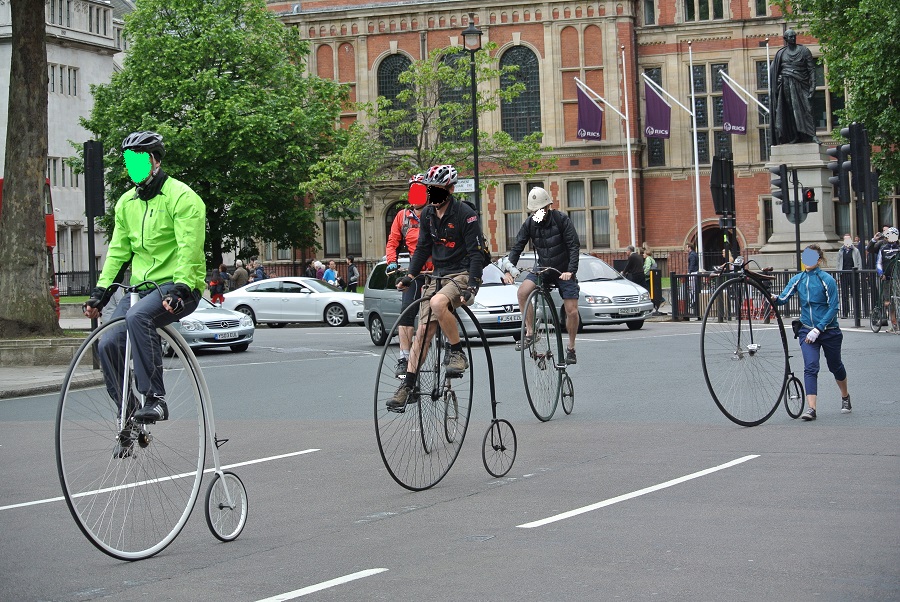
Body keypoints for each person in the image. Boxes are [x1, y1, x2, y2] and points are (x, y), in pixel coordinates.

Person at [82, 131, 206, 442]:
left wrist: (181, 289)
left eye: (138, 160)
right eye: (128, 161)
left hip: (178, 286)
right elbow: (118, 252)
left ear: (155, 161)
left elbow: (189, 248)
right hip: (140, 289)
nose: (132, 167)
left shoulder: (182, 197)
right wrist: (101, 293)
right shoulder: (126, 203)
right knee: (108, 343)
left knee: (138, 317)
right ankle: (128, 413)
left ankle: (155, 398)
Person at [388, 164, 485, 410]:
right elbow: (422, 248)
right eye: (430, 189)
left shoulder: (465, 214)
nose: (432, 194)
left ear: (450, 189)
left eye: (437, 189)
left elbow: (476, 253)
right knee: (423, 332)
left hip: (461, 273)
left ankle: (457, 352)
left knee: (438, 302)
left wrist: (473, 286)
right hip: (438, 275)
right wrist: (410, 275)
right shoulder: (428, 215)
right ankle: (408, 386)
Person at [501, 187, 580, 364]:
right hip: (543, 267)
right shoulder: (530, 223)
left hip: (563, 270)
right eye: (534, 210)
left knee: (572, 311)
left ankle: (571, 347)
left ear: (548, 206)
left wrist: (570, 271)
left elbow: (573, 246)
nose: (538, 213)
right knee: (522, 292)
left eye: (541, 209)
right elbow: (517, 246)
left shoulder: (561, 220)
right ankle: (530, 332)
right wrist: (509, 270)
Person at [772, 245, 850, 421]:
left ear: (819, 260)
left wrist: (819, 328)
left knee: (835, 366)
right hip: (806, 330)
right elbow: (783, 298)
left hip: (829, 331)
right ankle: (811, 408)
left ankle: (845, 396)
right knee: (811, 366)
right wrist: (774, 298)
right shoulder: (798, 279)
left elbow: (833, 308)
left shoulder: (827, 280)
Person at [385, 174, 432, 377]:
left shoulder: (435, 213)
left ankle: (451, 350)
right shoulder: (402, 217)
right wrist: (391, 261)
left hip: (437, 271)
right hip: (416, 272)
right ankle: (404, 358)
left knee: (441, 309)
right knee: (406, 312)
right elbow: (392, 242)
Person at [770, 29, 817, 145]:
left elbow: (811, 69)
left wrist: (813, 86)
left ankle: (812, 135)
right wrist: (778, 78)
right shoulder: (781, 54)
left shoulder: (804, 51)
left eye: (794, 36)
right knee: (790, 110)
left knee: (807, 109)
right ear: (785, 39)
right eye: (790, 37)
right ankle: (795, 135)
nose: (793, 38)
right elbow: (774, 70)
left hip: (802, 83)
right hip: (786, 83)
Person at [875, 227, 900, 328]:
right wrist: (881, 273)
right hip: (887, 278)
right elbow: (878, 263)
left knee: (897, 299)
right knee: (889, 301)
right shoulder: (883, 248)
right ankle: (893, 322)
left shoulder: (899, 248)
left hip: (898, 278)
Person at [835, 233, 862, 317]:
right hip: (843, 274)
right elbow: (838, 264)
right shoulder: (840, 251)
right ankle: (845, 313)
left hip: (854, 274)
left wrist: (859, 274)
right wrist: (838, 276)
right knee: (844, 294)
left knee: (855, 294)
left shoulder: (855, 250)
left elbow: (859, 263)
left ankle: (857, 312)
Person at [686, 242, 699, 314]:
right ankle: (693, 301)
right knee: (693, 288)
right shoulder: (694, 254)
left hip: (693, 273)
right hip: (694, 272)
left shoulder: (692, 255)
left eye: (686, 247)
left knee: (692, 288)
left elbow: (692, 264)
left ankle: (693, 302)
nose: (686, 248)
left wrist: (689, 272)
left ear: (689, 247)